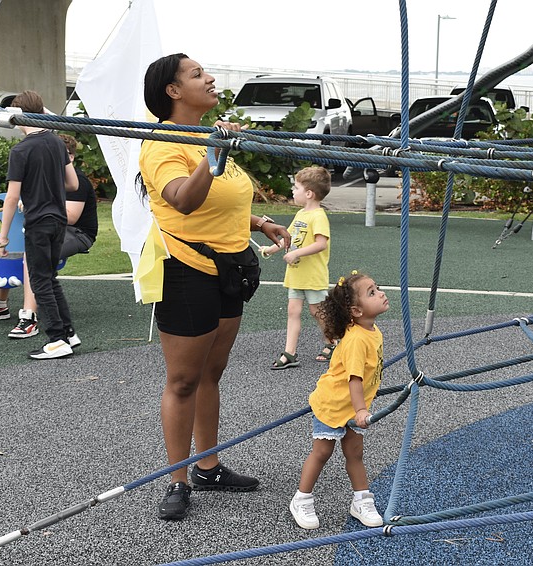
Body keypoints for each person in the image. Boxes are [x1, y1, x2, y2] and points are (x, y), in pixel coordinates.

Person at [138, 53, 291, 521]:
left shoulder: (209, 137)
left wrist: (259, 222)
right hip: (185, 270)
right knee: (183, 380)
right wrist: (215, 154)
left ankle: (208, 466)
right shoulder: (163, 142)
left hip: (230, 269)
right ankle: (178, 479)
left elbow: (218, 203)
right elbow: (184, 201)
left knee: (211, 374)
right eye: (197, 74)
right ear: (173, 91)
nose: (211, 79)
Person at [0, 133, 98, 339]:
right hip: (51, 226)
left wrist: (37, 200)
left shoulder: (77, 180)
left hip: (77, 233)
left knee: (35, 258)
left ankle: (29, 317)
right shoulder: (48, 178)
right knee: (19, 248)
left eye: (63, 156)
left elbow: (72, 217)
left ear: (71, 158)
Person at [289, 271, 389, 530]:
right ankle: (302, 499)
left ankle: (361, 500)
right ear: (356, 311)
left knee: (355, 453)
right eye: (372, 292)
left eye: (376, 288)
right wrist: (361, 410)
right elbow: (354, 379)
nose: (380, 293)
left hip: (354, 406)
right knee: (322, 452)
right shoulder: (356, 339)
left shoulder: (372, 330)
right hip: (334, 405)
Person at [0, 90, 80, 360]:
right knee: (49, 278)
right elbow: (73, 184)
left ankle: (56, 339)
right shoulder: (56, 143)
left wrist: (3, 238)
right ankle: (68, 333)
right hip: (58, 220)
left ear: (17, 116)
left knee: (40, 281)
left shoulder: (20, 151)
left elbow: (11, 198)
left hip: (38, 222)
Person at [259, 165, 334, 370]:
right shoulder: (301, 214)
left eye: (297, 188)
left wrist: (296, 253)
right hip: (296, 275)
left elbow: (321, 243)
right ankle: (290, 353)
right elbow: (288, 239)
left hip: (312, 275)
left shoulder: (318, 216)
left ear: (309, 193)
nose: (293, 190)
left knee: (317, 312)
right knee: (293, 311)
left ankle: (332, 342)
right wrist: (271, 249)